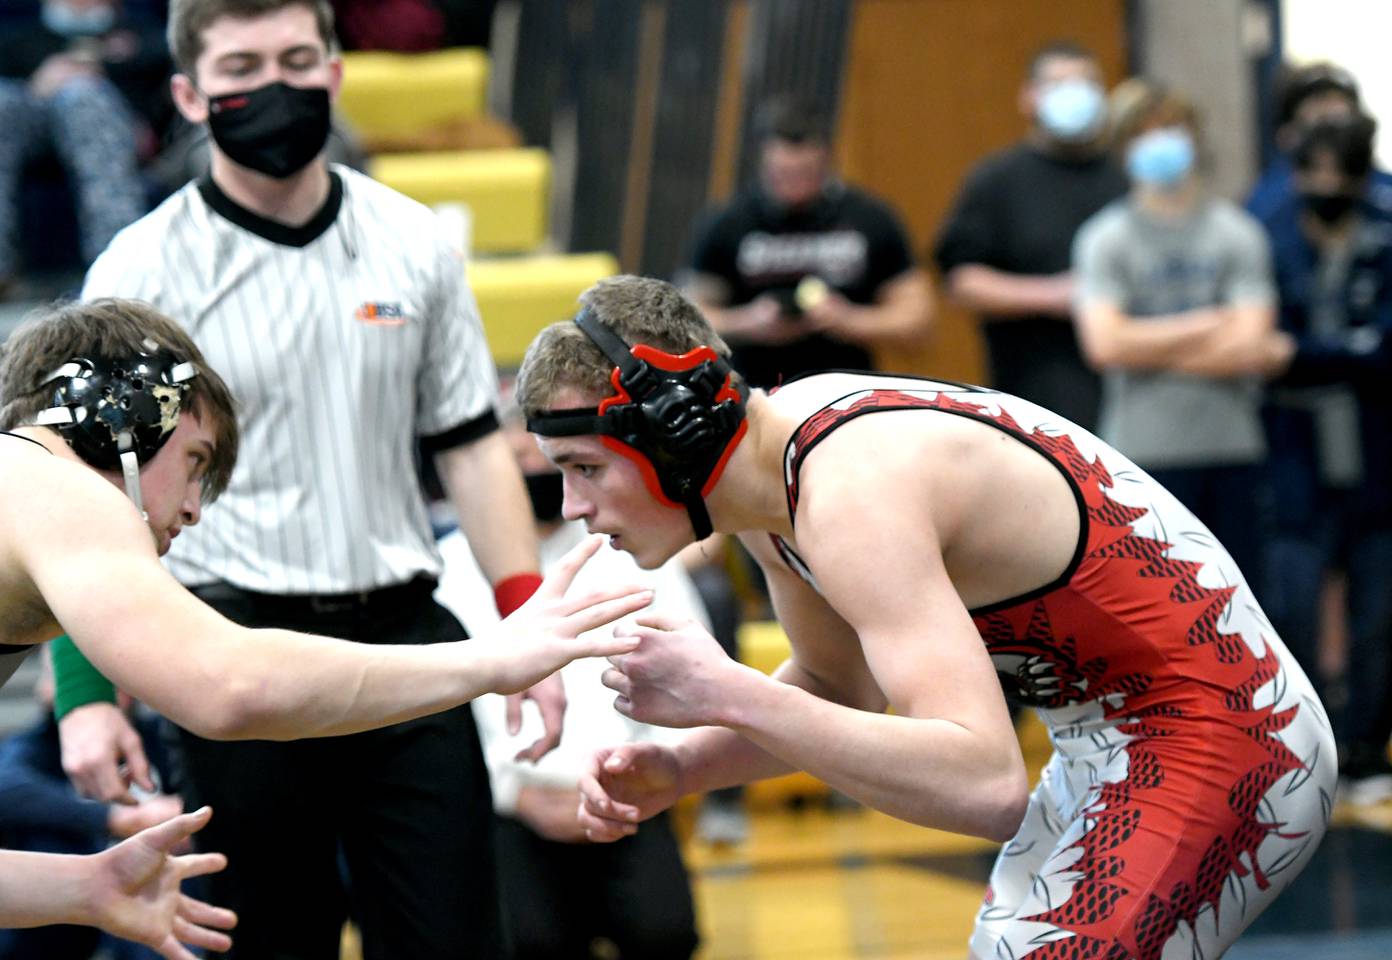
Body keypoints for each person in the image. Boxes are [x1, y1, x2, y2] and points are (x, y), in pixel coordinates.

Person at [518, 275, 1334, 959]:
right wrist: (688, 767)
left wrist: (728, 693)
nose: (571, 506)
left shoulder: (850, 489)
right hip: (1114, 734)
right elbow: (840, 688)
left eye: (584, 467)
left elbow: (982, 785)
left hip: (1224, 729)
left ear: (672, 428)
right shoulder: (773, 487)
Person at [52, 2, 568, 956]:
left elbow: (468, 447)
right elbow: (80, 495)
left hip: (408, 651)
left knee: (455, 942)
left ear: (335, 74)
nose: (277, 85)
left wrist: (527, 627)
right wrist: (86, 692)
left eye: (298, 59)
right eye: (244, 65)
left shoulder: (413, 241)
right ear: (189, 95)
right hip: (235, 659)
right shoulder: (141, 269)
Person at [0, 296, 649, 957]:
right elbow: (230, 686)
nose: (194, 510)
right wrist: (487, 662)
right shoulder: (60, 489)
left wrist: (85, 886)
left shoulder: (0, 489)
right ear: (121, 417)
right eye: (194, 463)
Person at [441, 403, 701, 960]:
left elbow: (695, 675)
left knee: (666, 933)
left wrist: (645, 774)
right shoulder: (446, 568)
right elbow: (442, 711)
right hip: (509, 809)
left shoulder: (634, 551)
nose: (534, 472)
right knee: (531, 942)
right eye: (516, 459)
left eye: (548, 460)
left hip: (626, 794)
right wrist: (514, 795)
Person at [1071, 84, 1284, 593]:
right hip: (1141, 454)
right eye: (1143, 134)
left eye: (1171, 129)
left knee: (1240, 603)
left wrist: (1141, 346)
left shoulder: (1238, 233)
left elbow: (1252, 343)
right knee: (1155, 605)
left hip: (1231, 448)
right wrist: (1209, 322)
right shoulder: (1105, 238)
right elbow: (1103, 346)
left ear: (1194, 138)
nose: (1160, 143)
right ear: (1124, 152)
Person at [1260, 113, 1392, 806]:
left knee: (1379, 609)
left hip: (1376, 449)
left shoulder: (1385, 235)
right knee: (1293, 601)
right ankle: (1308, 746)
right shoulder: (1271, 232)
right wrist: (1353, 353)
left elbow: (1376, 352)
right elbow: (1260, 347)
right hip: (1293, 449)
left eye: (1339, 176)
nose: (1325, 187)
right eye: (1313, 175)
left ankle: (1369, 745)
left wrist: (1308, 356)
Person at [934, 41, 1127, 431]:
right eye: (1058, 84)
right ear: (1029, 97)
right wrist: (1053, 295)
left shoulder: (1125, 178)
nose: (1074, 94)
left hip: (1128, 396)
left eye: (1087, 83)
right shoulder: (997, 182)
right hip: (1033, 398)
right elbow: (961, 282)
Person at [683, 98, 933, 389]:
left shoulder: (870, 219)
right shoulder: (727, 223)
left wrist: (850, 320)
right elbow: (688, 321)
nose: (794, 187)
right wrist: (750, 322)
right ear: (763, 162)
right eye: (782, 175)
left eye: (805, 175)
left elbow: (918, 319)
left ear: (826, 160)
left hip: (845, 396)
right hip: (752, 395)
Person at [0, 655, 179, 960]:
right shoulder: (36, 745)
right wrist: (118, 818)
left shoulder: (158, 737)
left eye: (111, 679)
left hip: (154, 882)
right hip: (65, 904)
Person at [0, 0, 172, 303]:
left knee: (82, 96)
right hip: (33, 123)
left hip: (114, 125)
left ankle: (118, 262)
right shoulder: (16, 34)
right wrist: (41, 83)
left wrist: (94, 73)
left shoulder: (141, 30)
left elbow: (167, 86)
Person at [1246, 62, 1392, 224]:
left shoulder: (1382, 192)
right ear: (1288, 133)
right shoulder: (1267, 202)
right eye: (1318, 123)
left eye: (1338, 121)